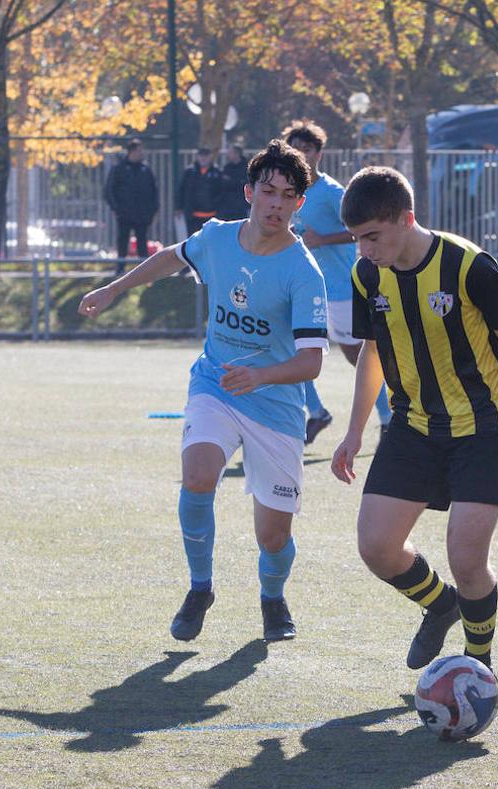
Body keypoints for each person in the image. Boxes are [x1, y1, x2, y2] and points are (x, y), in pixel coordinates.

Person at [78, 140, 329, 644]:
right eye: (268, 191)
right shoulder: (216, 238)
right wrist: (114, 288)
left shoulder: (304, 272)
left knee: (273, 536)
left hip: (276, 405)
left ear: (299, 204)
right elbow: (170, 258)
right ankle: (200, 589)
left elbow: (311, 363)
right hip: (214, 382)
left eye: (287, 195)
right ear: (249, 192)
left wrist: (260, 376)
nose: (276, 203)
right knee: (197, 477)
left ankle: (273, 597)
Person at [330, 166, 498, 672]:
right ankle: (439, 604)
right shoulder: (366, 275)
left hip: (485, 429)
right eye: (357, 238)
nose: (363, 249)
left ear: (406, 219)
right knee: (377, 547)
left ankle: (477, 665)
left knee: (468, 562)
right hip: (413, 427)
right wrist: (354, 431)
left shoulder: (468, 266)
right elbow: (372, 353)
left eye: (372, 237)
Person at [282, 119, 393, 444]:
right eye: (295, 148)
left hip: (341, 288)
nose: (301, 154)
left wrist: (324, 238)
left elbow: (360, 228)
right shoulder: (288, 192)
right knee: (289, 350)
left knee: (357, 356)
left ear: (318, 153)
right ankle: (317, 413)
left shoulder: (331, 192)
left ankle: (389, 418)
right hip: (302, 288)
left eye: (307, 149)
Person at [103, 138, 159, 274]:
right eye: (139, 150)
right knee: (123, 240)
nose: (142, 153)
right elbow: (109, 190)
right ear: (132, 151)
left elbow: (153, 191)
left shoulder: (145, 169)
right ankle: (120, 268)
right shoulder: (119, 169)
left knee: (142, 242)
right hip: (125, 213)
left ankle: (144, 272)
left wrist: (152, 210)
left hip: (142, 214)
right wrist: (116, 209)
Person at [177, 147, 223, 236]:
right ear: (197, 157)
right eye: (201, 155)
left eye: (206, 156)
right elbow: (181, 190)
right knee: (194, 241)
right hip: (193, 215)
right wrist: (178, 207)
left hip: (211, 215)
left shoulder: (217, 172)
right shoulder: (189, 171)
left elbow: (221, 192)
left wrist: (218, 208)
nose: (203, 158)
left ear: (211, 157)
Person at [218, 144, 251, 221]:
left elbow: (245, 184)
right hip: (228, 206)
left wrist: (231, 181)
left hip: (242, 206)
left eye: (230, 152)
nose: (228, 154)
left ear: (237, 153)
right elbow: (223, 184)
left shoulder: (247, 167)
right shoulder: (227, 167)